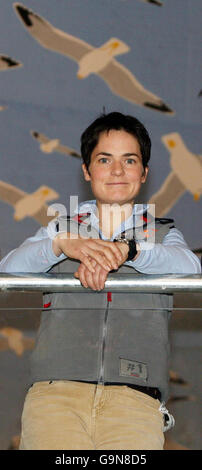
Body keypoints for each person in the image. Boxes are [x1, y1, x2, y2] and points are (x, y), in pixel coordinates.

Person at [0, 112, 200, 450]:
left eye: (130, 160)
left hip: (136, 403)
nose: (118, 171)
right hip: (54, 398)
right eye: (104, 159)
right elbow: (9, 271)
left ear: (144, 173)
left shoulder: (165, 234)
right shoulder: (59, 228)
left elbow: (191, 271)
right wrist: (61, 246)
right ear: (87, 171)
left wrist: (131, 251)